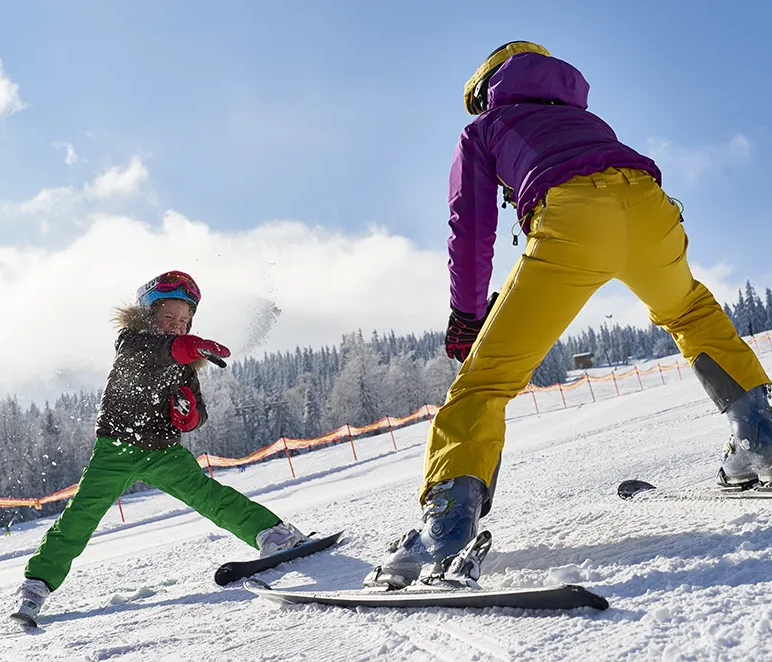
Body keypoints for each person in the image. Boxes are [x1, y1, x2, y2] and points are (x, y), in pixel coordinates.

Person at [371, 41, 772, 589]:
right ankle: (759, 434)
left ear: (487, 88)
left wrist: (467, 314)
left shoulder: (485, 129)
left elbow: (471, 229)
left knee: (484, 381)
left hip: (572, 218)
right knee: (690, 311)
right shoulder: (586, 118)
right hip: (652, 208)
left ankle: (447, 525)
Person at [12, 270, 305, 625]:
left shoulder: (185, 367)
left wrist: (188, 415)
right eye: (168, 317)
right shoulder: (133, 342)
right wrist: (185, 347)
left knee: (209, 496)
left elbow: (199, 412)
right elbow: (155, 351)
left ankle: (274, 533)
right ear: (150, 316)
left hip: (164, 452)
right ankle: (37, 584)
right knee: (81, 516)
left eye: (184, 321)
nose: (176, 325)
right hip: (116, 450)